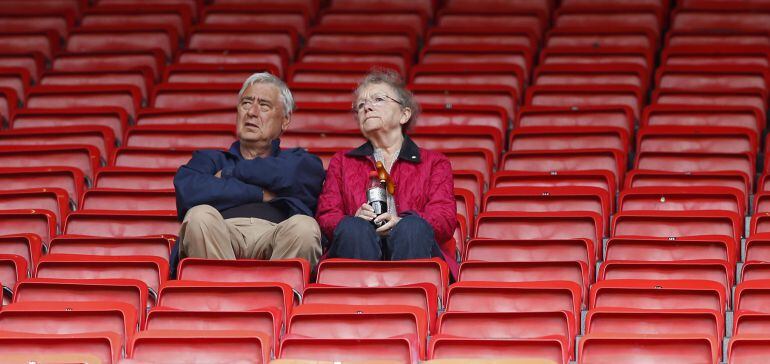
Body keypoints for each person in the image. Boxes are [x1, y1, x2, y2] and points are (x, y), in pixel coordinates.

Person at [315, 69, 458, 276]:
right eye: (361, 105)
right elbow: (327, 216)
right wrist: (354, 218)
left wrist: (401, 222)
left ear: (404, 114)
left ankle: (411, 302)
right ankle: (360, 305)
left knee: (412, 228)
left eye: (378, 99)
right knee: (353, 229)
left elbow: (444, 219)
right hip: (357, 247)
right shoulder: (343, 162)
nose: (367, 107)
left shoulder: (435, 162)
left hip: (413, 246)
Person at [174, 72, 325, 267]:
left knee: (305, 227)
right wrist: (259, 193)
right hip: (221, 233)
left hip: (279, 234)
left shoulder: (300, 161)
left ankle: (277, 296)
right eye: (246, 103)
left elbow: (295, 176)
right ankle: (222, 297)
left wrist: (231, 174)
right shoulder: (210, 159)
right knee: (199, 216)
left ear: (285, 120)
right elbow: (188, 192)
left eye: (264, 105)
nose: (252, 112)